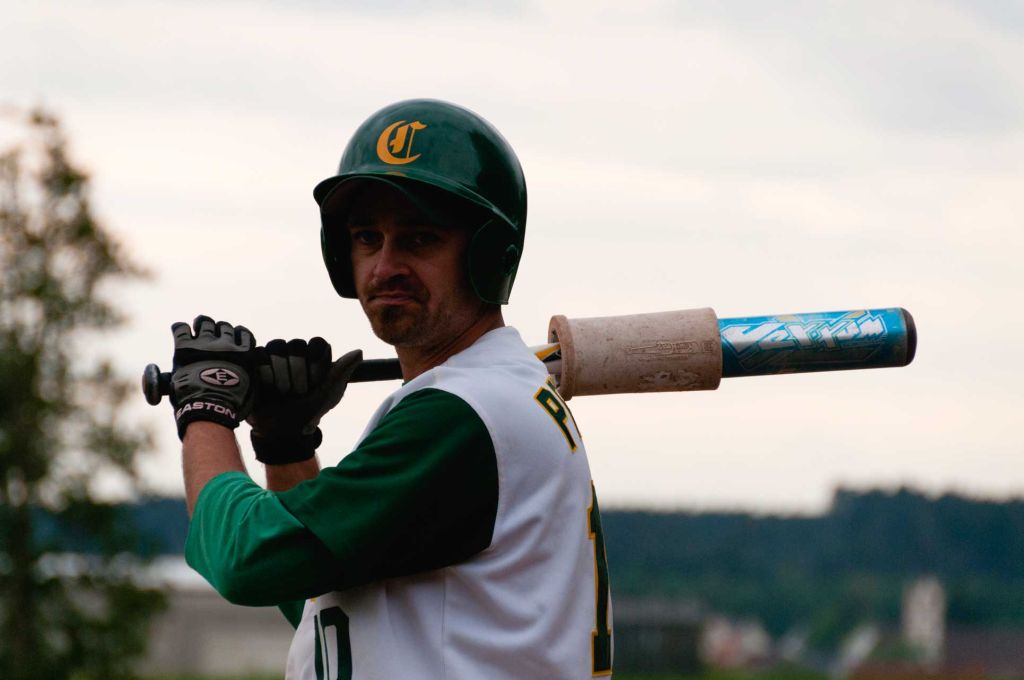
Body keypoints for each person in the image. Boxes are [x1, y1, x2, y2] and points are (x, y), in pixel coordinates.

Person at [166, 99, 613, 679]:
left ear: (486, 254)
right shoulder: (486, 400)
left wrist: (205, 406)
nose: (383, 267)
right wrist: (286, 443)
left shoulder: (463, 416)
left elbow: (243, 560)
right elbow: (321, 601)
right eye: (367, 237)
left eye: (419, 239)